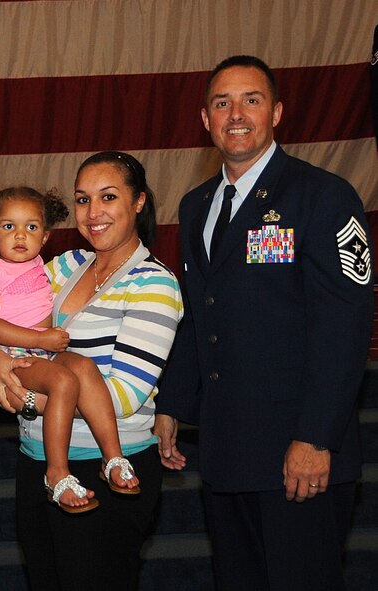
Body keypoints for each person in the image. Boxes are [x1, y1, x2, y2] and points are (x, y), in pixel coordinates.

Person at [155, 55, 374, 591]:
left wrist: (315, 437)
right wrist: (174, 404)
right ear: (204, 119)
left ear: (276, 112)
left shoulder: (322, 197)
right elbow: (197, 312)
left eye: (251, 100)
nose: (236, 114)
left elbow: (344, 326)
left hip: (297, 454)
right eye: (221, 102)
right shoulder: (196, 205)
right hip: (227, 453)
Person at [0, 152, 183, 590]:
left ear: (139, 202)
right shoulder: (64, 265)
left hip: (105, 472)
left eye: (108, 197)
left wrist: (27, 399)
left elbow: (124, 396)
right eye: (83, 199)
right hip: (39, 462)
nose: (93, 212)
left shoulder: (154, 282)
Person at [0, 186, 140, 514]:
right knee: (63, 382)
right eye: (8, 227)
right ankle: (56, 473)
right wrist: (39, 340)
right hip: (14, 354)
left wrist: (45, 344)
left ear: (45, 237)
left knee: (85, 368)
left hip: (42, 352)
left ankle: (113, 456)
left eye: (31, 227)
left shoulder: (45, 268)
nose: (20, 236)